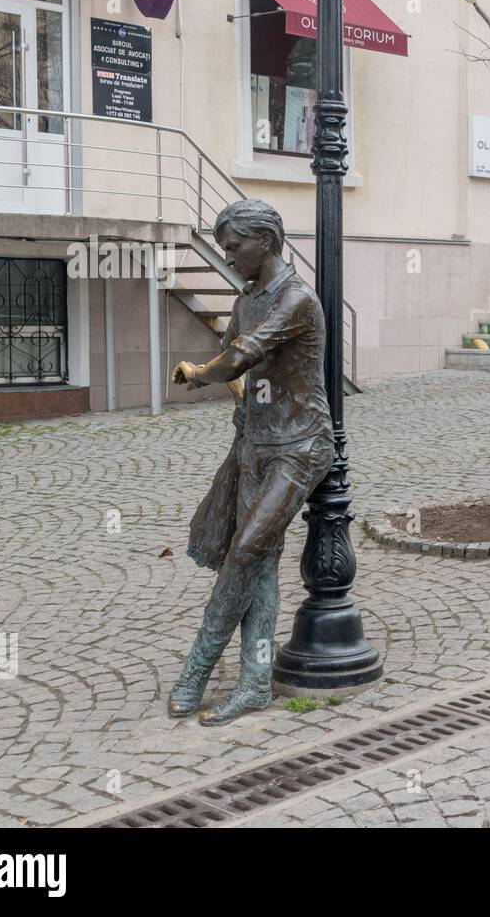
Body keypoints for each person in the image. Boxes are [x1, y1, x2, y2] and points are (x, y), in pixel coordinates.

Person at [167, 199, 333, 725]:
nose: (229, 255)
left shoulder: (296, 299)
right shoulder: (247, 300)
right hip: (255, 445)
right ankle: (256, 683)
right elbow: (239, 368)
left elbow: (239, 355)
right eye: (224, 247)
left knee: (243, 552)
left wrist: (197, 373)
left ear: (266, 240)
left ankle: (195, 671)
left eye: (234, 246)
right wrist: (238, 396)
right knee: (257, 565)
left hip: (300, 447)